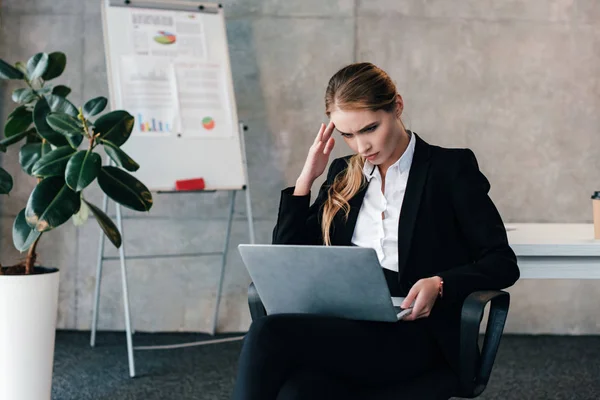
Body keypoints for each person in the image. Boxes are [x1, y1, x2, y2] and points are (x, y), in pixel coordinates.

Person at [231, 62, 520, 400]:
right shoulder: (343, 174)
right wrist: (305, 181)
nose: (361, 147)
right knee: (297, 392)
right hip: (346, 323)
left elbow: (502, 261)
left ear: (396, 106)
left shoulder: (449, 170)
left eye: (369, 128)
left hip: (415, 332)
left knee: (269, 333)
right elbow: (289, 257)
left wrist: (440, 283)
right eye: (348, 135)